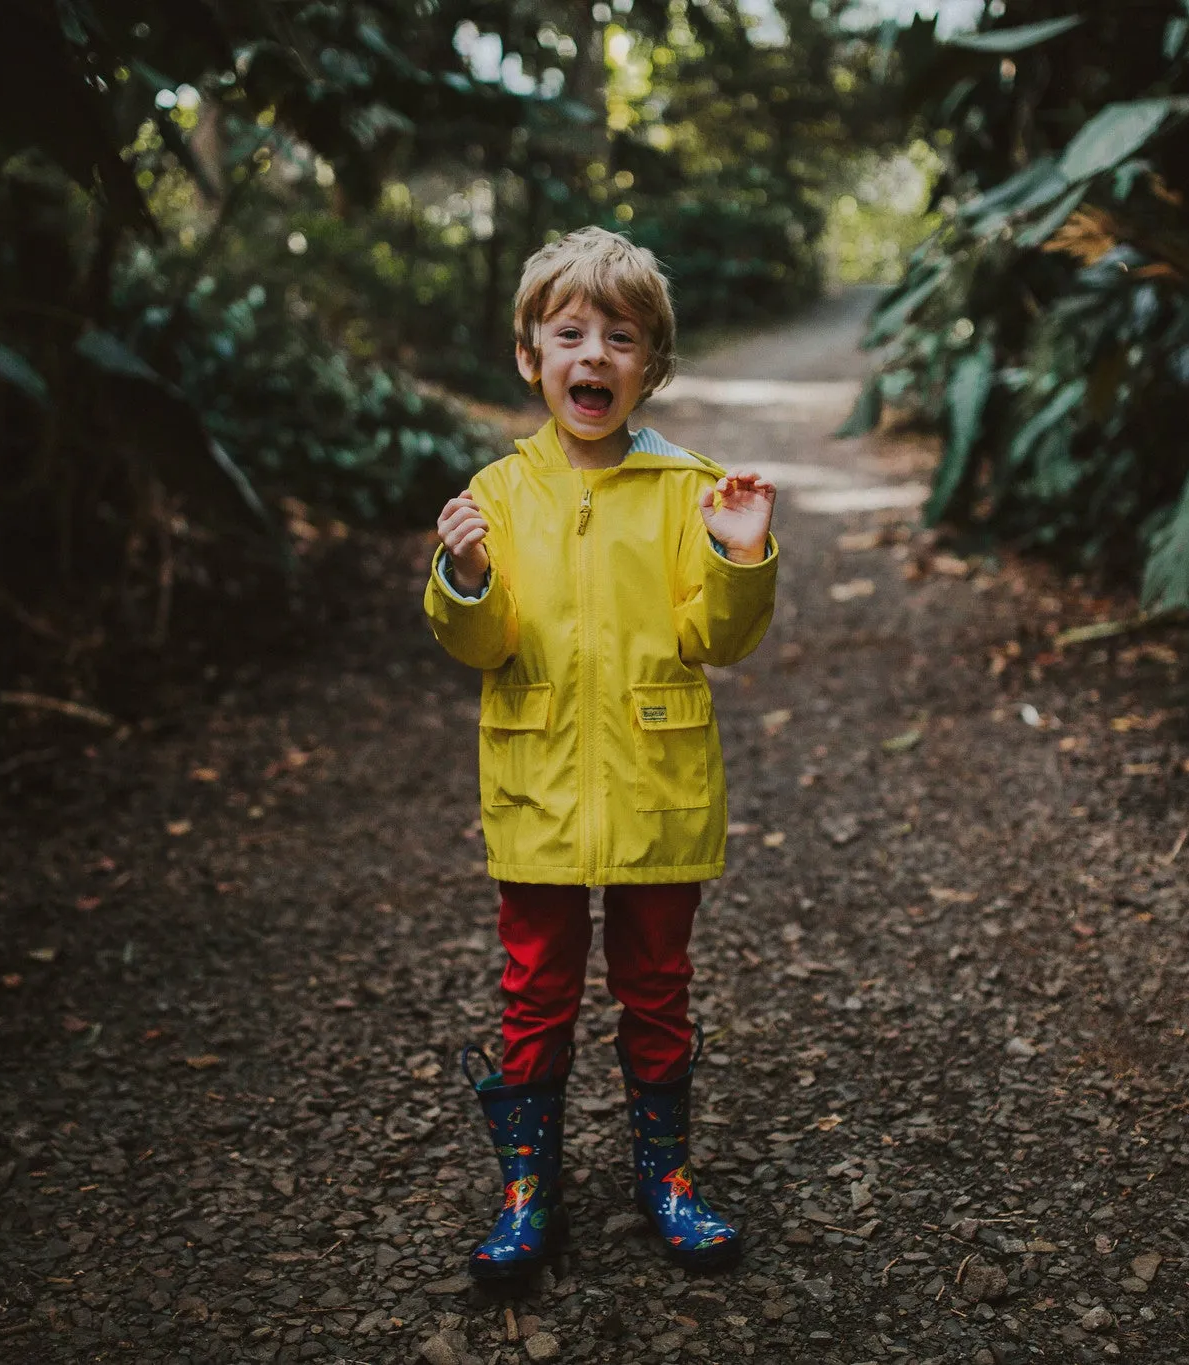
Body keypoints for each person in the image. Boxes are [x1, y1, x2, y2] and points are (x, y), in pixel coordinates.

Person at [424, 226, 778, 1279]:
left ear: (647, 368)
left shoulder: (687, 490)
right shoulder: (496, 492)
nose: (593, 356)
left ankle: (664, 1177)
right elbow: (475, 643)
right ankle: (528, 1189)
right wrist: (469, 578)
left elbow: (719, 636)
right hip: (536, 786)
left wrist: (740, 550)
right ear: (530, 357)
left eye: (618, 337)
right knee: (534, 987)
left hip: (655, 785)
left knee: (656, 982)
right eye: (568, 333)